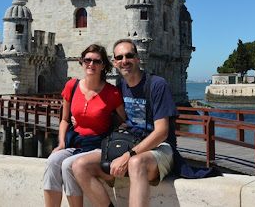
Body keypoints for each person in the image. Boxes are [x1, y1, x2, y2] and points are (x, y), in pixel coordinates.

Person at [73, 39, 178, 207]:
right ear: (114, 62)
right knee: (80, 166)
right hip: (130, 142)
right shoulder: (120, 88)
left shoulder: (157, 85)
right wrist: (79, 119)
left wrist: (129, 156)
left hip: (160, 147)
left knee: (136, 163)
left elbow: (161, 132)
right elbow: (110, 118)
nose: (124, 61)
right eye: (119, 57)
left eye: (129, 56)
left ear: (137, 58)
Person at [43, 44, 126, 207]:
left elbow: (122, 121)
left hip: (98, 145)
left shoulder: (112, 93)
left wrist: (108, 117)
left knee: (68, 165)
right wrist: (61, 143)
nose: (91, 64)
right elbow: (65, 119)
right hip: (75, 142)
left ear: (103, 66)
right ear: (81, 62)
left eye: (97, 61)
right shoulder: (71, 86)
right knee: (53, 161)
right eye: (87, 60)